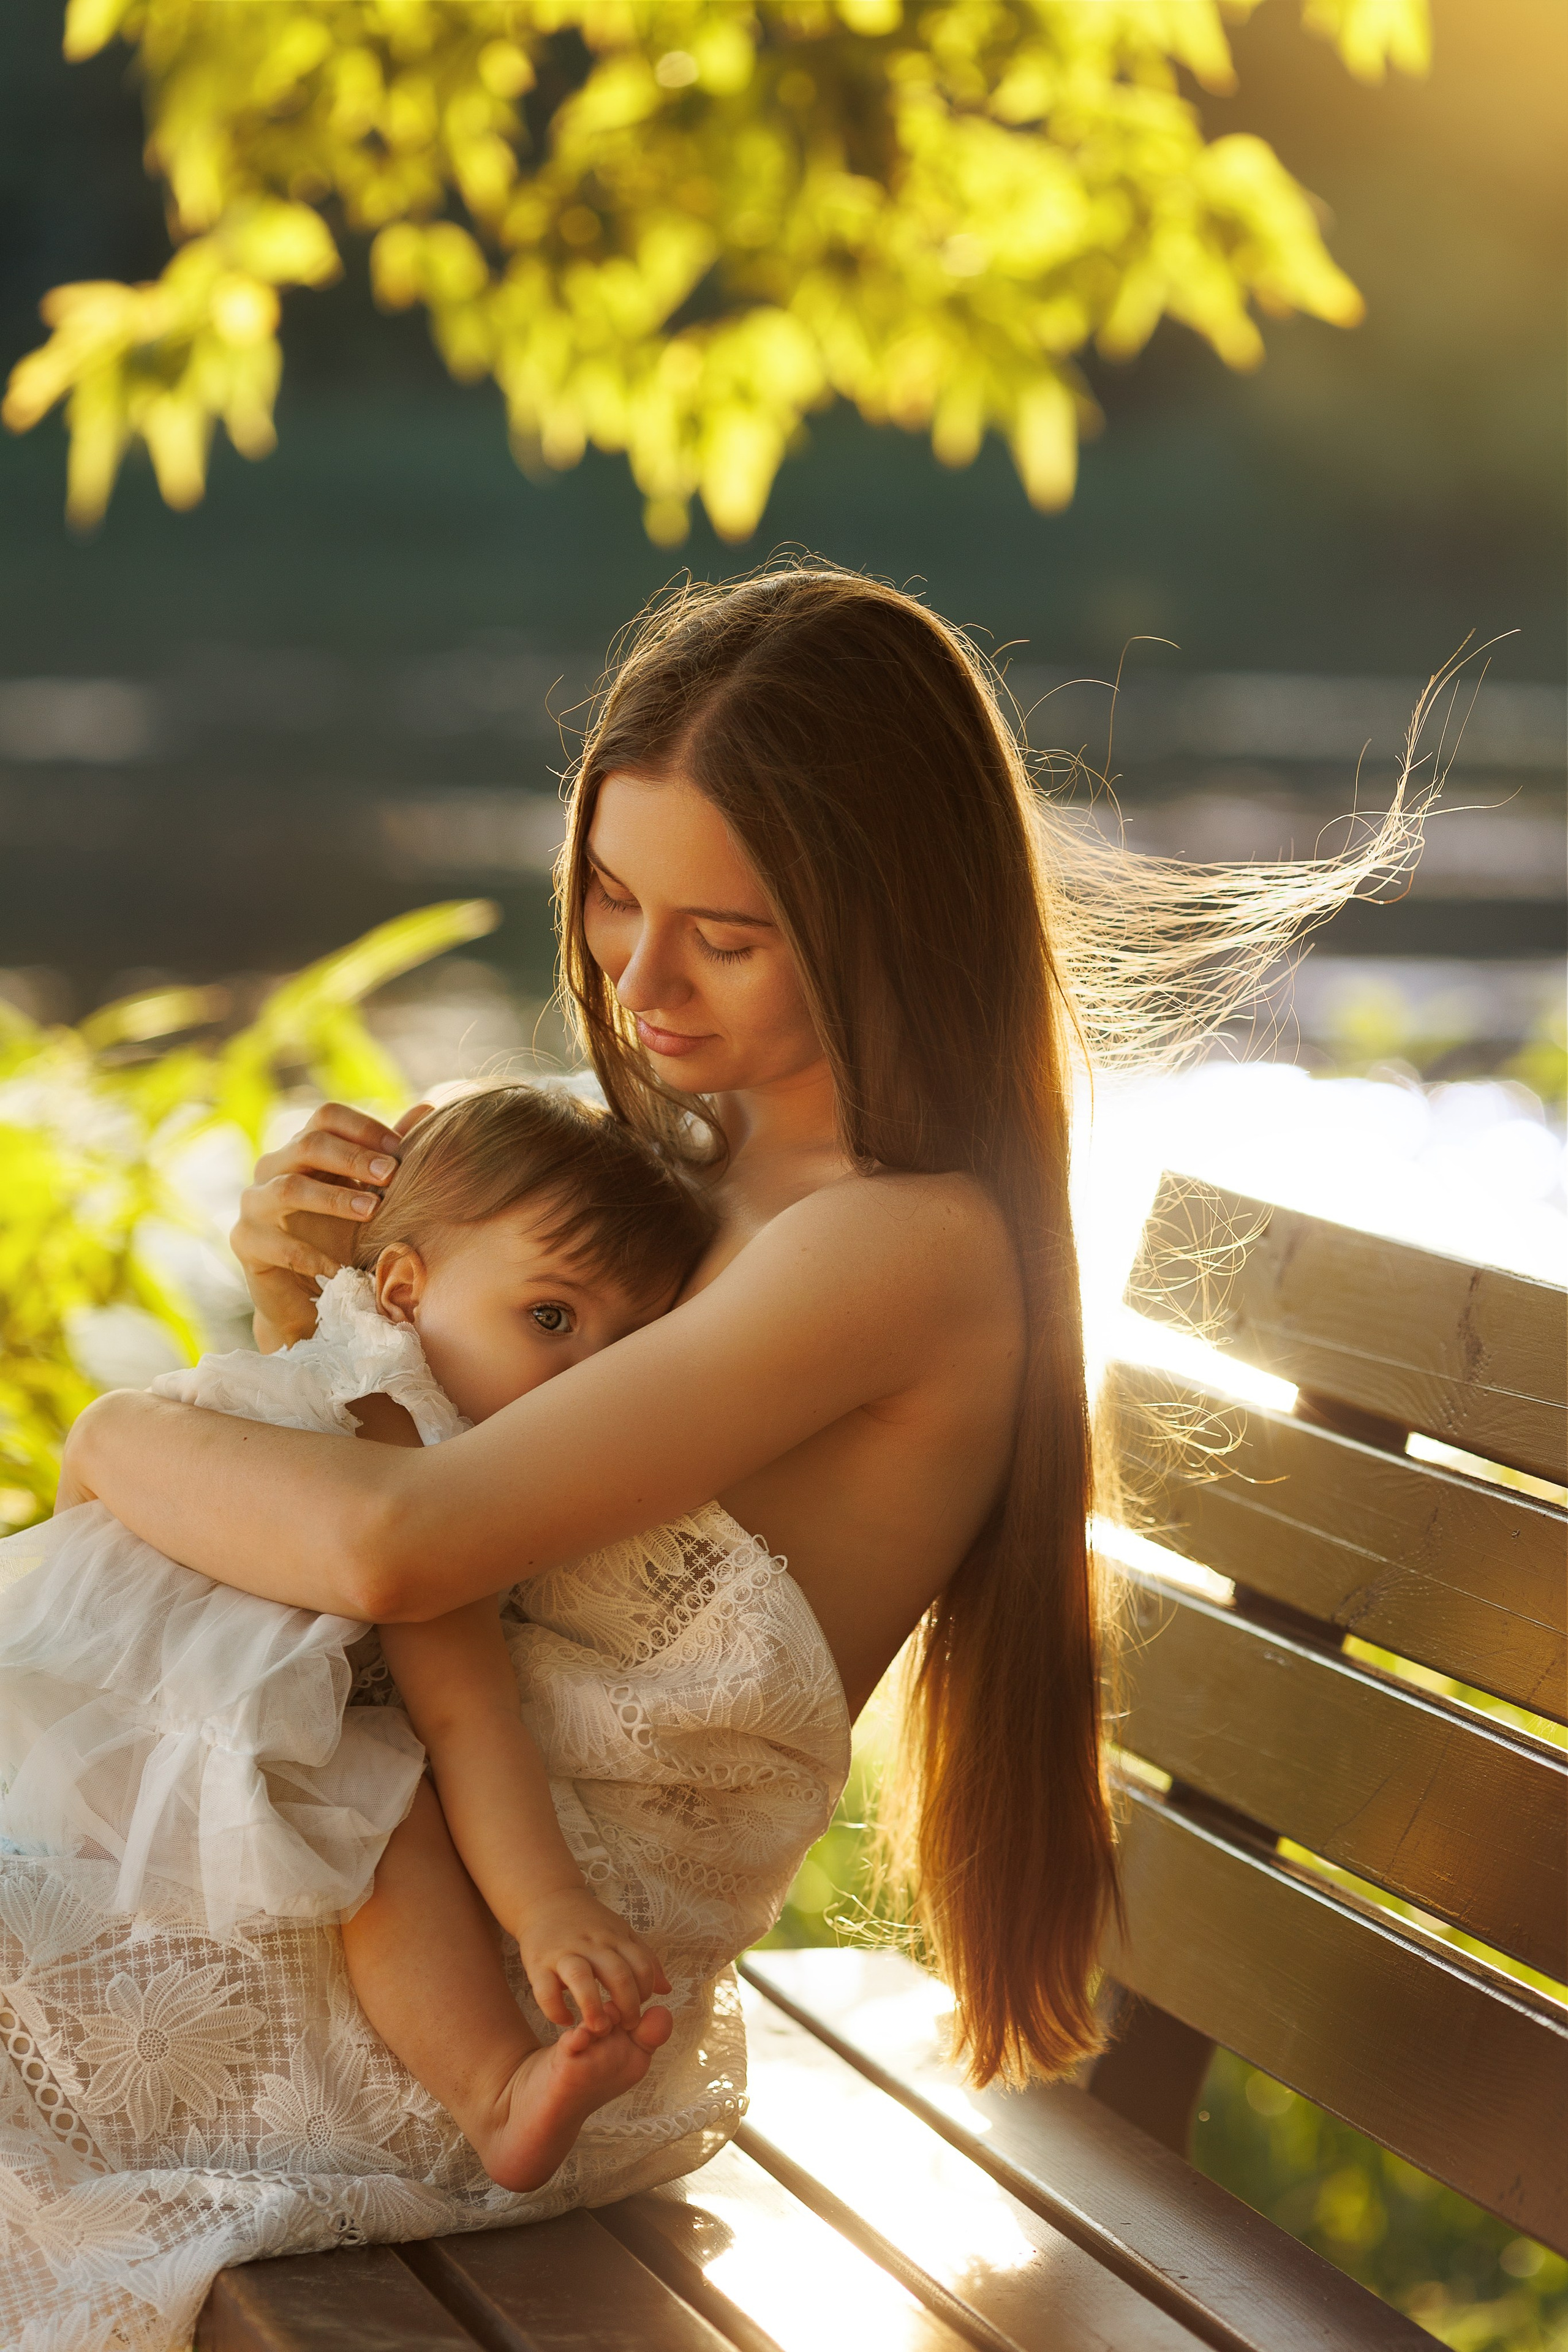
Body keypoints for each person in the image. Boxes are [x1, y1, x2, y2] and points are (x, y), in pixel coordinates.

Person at [1, 564, 1423, 2352]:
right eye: (611, 896)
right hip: (396, 1912)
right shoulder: (679, 1192)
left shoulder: (891, 1249)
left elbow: (400, 1557)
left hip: (505, 2038)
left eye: (724, 935)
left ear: (889, 921)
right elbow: (397, 1555)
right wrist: (314, 1321)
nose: (640, 980)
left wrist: (126, 1429)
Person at [0, 1084, 729, 2195]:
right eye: (550, 1318)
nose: (588, 1379)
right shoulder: (410, 1444)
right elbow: (466, 1710)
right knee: (388, 1814)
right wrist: (551, 1911)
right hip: (173, 1727)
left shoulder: (311, 1367)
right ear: (401, 1288)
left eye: (625, 1347)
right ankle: (493, 2088)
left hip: (87, 1727)